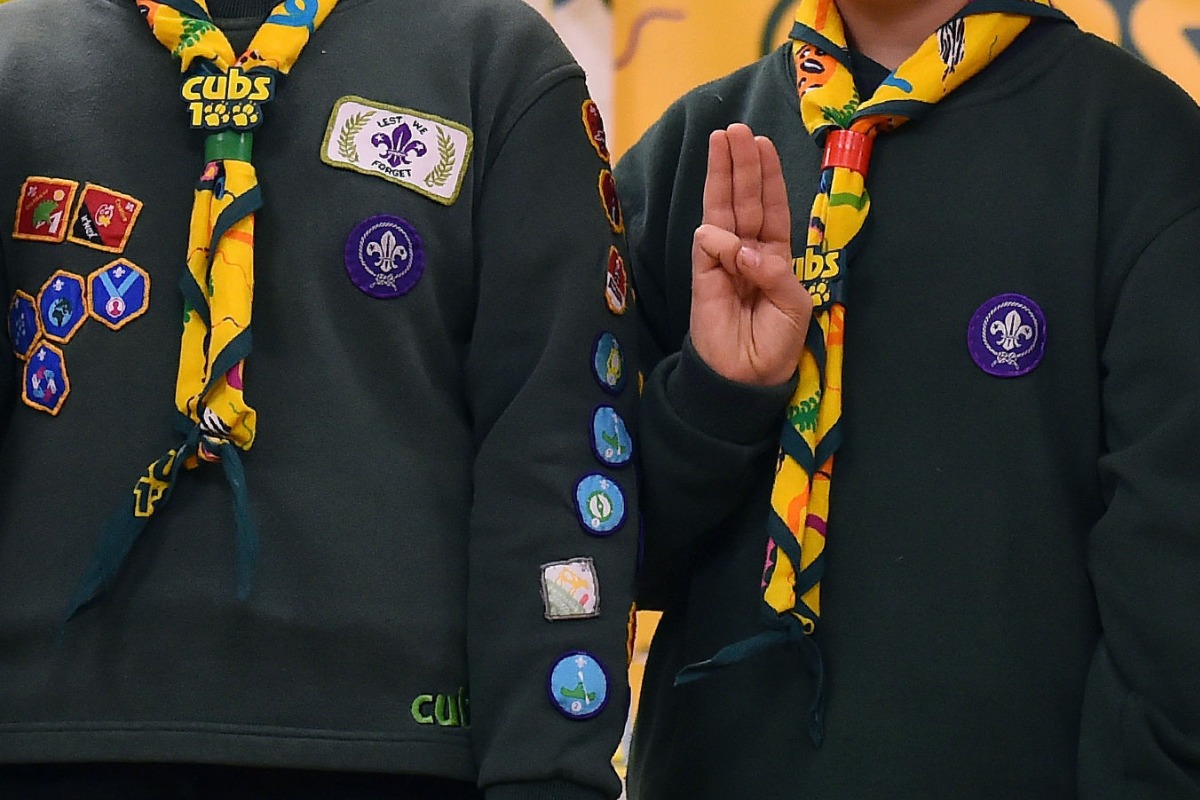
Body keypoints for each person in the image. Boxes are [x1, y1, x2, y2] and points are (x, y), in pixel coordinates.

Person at [0, 0, 639, 797]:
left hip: (397, 751)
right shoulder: (17, 61)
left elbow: (554, 450)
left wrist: (549, 776)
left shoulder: (497, 64)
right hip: (41, 742)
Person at [616, 0, 1200, 797]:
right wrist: (717, 402)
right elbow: (585, 558)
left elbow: (1174, 604)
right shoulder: (694, 148)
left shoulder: (1142, 147)